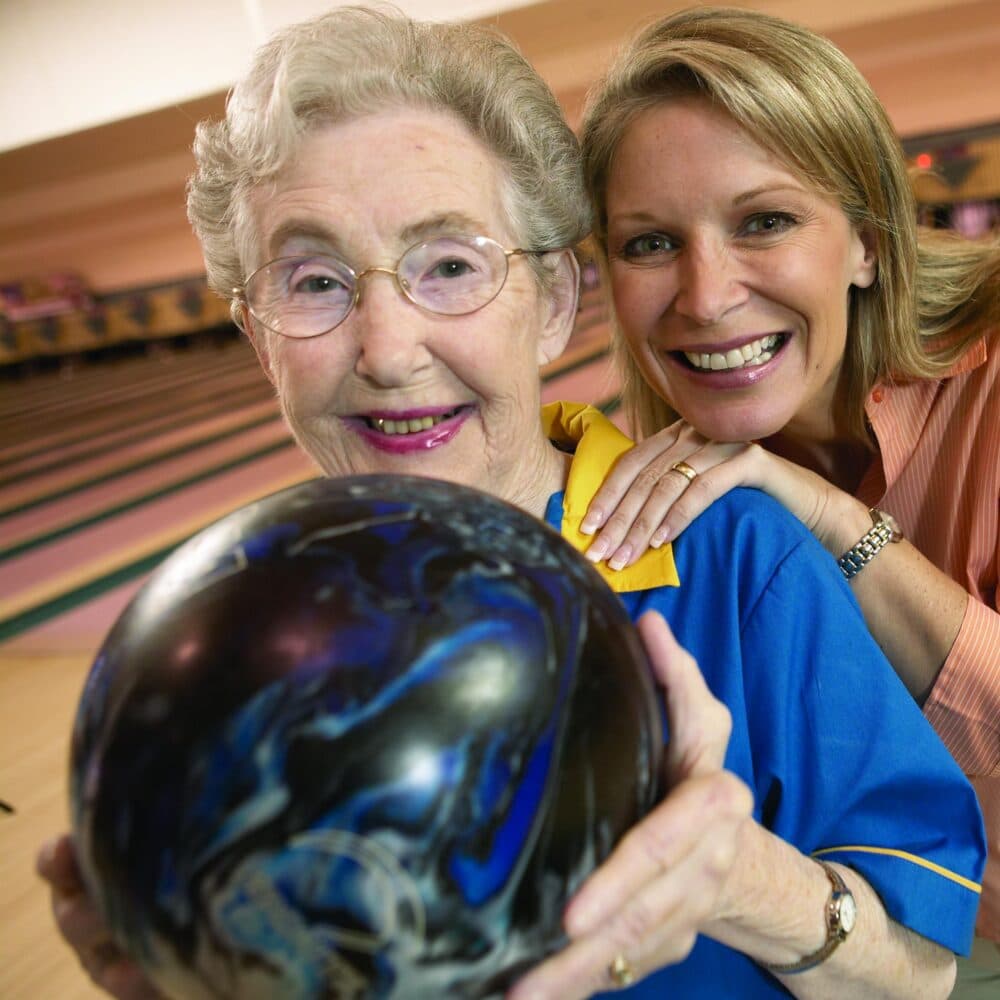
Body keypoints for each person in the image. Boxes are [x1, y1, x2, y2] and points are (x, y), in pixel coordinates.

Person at [36, 6, 985, 999]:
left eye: (449, 264)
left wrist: (738, 878)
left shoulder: (738, 556)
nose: (388, 350)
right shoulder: (217, 643)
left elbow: (918, 974)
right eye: (313, 280)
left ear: (556, 303)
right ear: (257, 335)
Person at [574, 5, 1000, 991]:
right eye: (647, 244)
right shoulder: (676, 499)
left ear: (864, 241)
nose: (706, 294)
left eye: (762, 221)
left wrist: (836, 522)